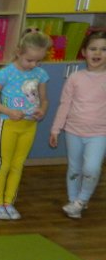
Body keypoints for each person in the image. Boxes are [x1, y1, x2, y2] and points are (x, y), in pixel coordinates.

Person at [0, 30, 52, 220]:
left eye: (38, 61)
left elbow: (44, 100)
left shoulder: (41, 74)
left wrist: (42, 110)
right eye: (29, 60)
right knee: (4, 164)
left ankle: (9, 202)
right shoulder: (6, 73)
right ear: (18, 52)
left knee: (18, 165)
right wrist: (8, 111)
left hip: (29, 127)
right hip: (9, 125)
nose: (34, 65)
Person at [49, 30, 106, 219]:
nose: (97, 53)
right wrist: (56, 129)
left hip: (99, 134)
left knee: (91, 168)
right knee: (75, 168)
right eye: (93, 49)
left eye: (103, 49)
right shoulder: (75, 78)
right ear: (84, 52)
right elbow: (65, 104)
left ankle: (82, 200)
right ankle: (74, 201)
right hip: (73, 131)